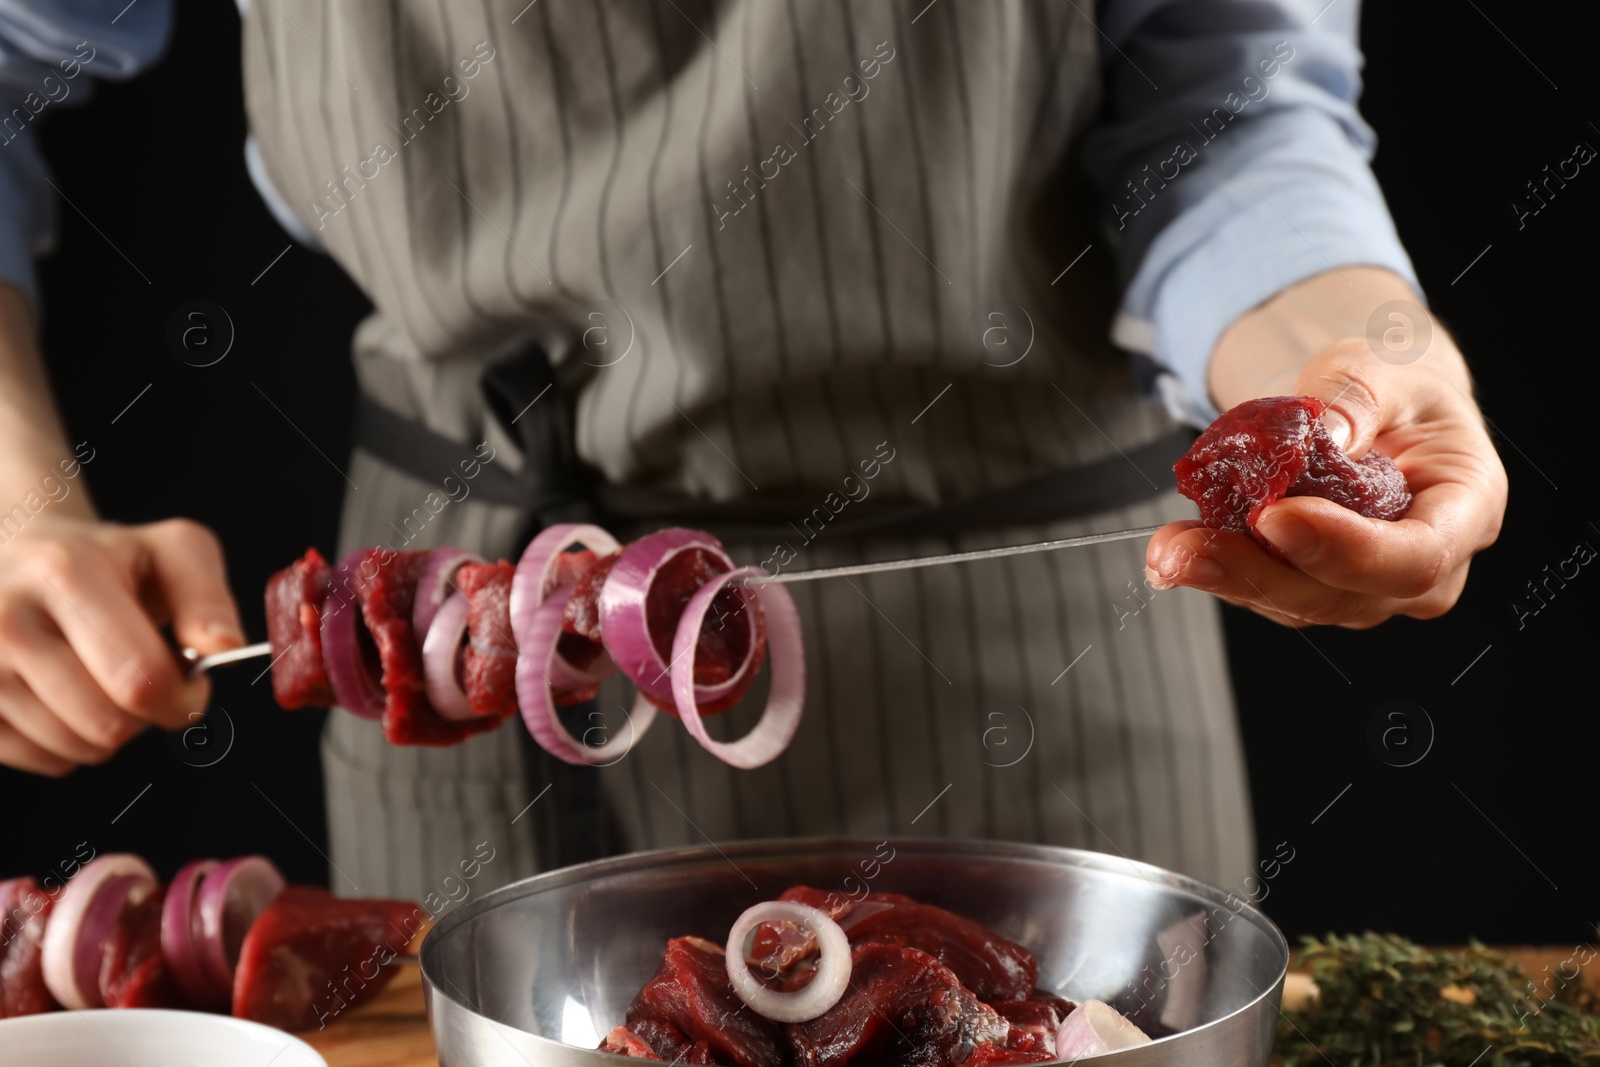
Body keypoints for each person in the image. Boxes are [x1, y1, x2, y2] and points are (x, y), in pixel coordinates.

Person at [0, 0, 1506, 897]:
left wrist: (1362, 356)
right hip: (470, 675)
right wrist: (17, 502)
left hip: (1031, 687)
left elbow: (1219, 100)